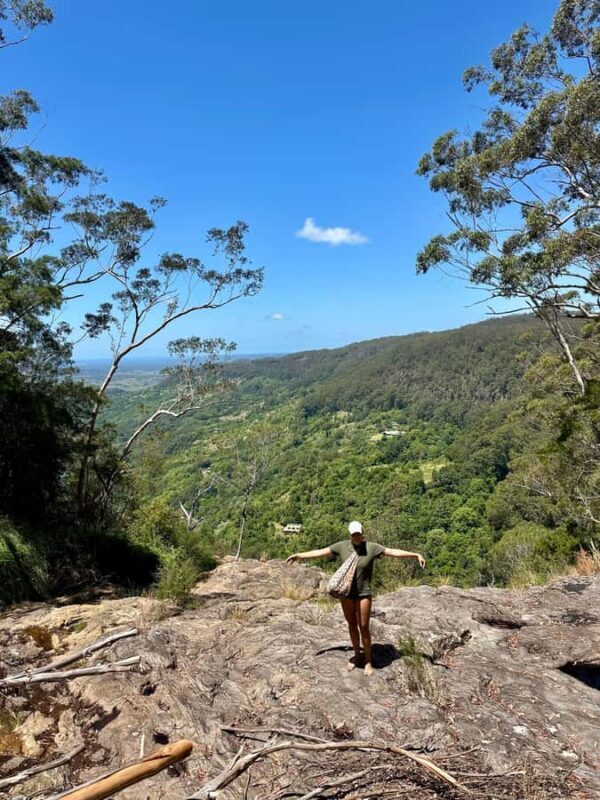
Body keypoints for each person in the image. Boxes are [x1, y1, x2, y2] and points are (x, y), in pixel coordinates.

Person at [286, 521, 426, 676]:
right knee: (352, 624)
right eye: (353, 534)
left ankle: (368, 661)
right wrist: (299, 556)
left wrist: (415, 555)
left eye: (358, 534)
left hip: (363, 594)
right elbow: (320, 552)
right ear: (350, 534)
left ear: (362, 533)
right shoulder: (342, 546)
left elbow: (393, 552)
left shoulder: (372, 548)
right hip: (346, 594)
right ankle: (358, 656)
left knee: (364, 626)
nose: (356, 537)